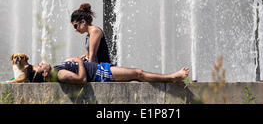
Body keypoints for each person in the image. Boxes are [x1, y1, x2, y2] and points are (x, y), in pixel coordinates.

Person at [29, 57, 190, 85]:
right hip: (101, 74)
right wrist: (79, 62)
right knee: (138, 73)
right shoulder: (61, 75)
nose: (41, 63)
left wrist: (76, 60)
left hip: (101, 69)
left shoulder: (57, 71)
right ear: (43, 74)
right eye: (39, 66)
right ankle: (172, 77)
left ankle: (171, 77)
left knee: (137, 73)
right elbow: (81, 80)